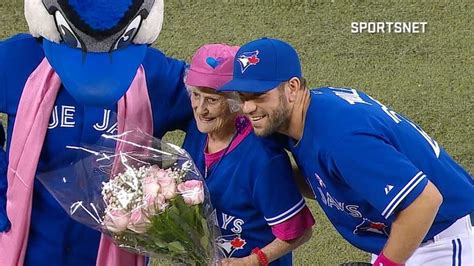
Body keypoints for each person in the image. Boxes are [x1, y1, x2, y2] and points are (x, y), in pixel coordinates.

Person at [218, 37, 474, 265]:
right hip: (404, 234)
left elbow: (423, 202)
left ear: (293, 88)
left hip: (441, 237)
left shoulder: (341, 139)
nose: (248, 107)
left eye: (259, 95)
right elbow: (333, 182)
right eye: (242, 96)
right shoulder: (304, 117)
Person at [0, 1, 192, 265]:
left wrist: (186, 187)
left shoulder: (156, 74)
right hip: (29, 244)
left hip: (111, 248)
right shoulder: (20, 59)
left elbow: (212, 110)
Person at [182, 43, 314, 265]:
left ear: (236, 101)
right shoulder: (197, 131)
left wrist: (251, 261)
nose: (201, 108)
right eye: (196, 95)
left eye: (212, 100)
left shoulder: (262, 159)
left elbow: (298, 231)